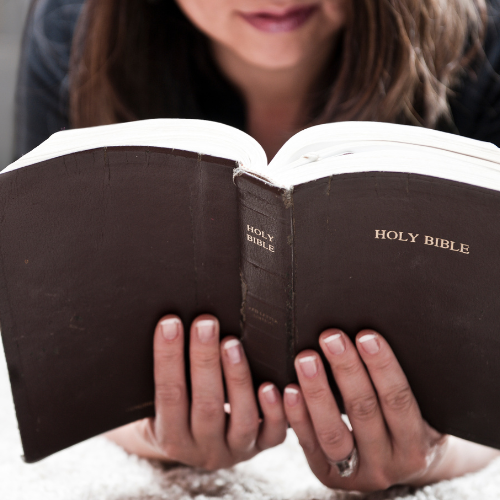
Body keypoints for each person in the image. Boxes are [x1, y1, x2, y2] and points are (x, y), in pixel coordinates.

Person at [14, 0, 500, 492]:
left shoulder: (486, 38)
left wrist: (441, 454)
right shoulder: (71, 28)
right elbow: (53, 336)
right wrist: (147, 430)